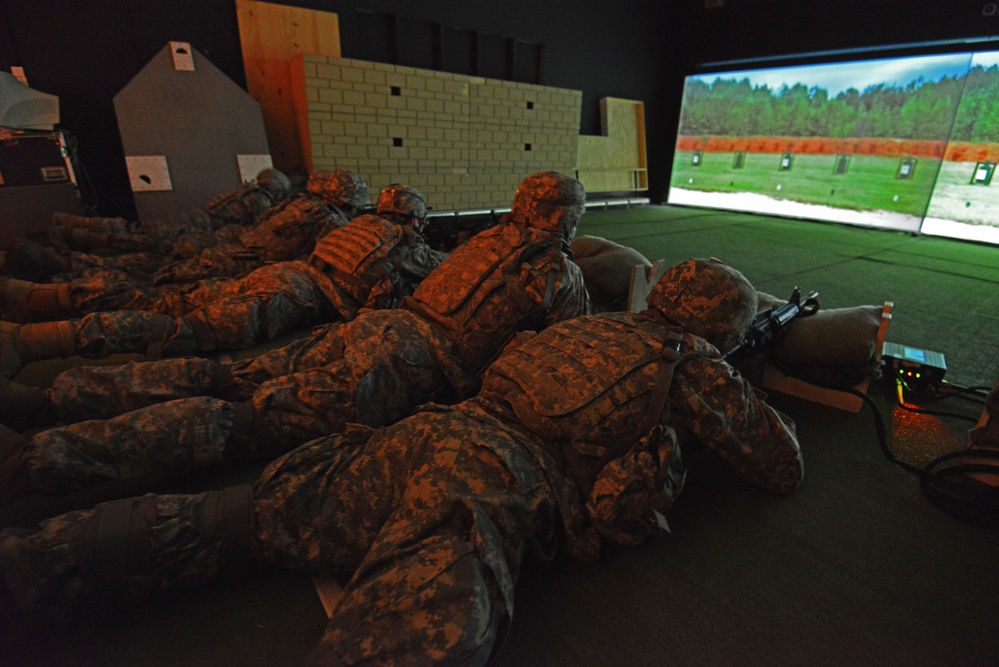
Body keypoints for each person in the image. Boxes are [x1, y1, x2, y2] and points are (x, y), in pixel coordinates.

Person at [0, 257, 802, 664]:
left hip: (420, 433)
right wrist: (731, 382)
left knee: (233, 517)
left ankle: (30, 563)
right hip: (483, 483)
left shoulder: (581, 323)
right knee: (417, 638)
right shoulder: (691, 363)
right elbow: (777, 464)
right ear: (721, 328)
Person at [0, 171, 590, 513]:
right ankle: (40, 462)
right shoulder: (557, 272)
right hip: (396, 365)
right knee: (239, 422)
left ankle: (49, 403)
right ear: (567, 217)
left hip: (366, 331)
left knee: (221, 377)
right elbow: (562, 355)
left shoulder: (481, 242)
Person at [0, 185, 445, 369]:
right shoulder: (407, 245)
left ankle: (39, 300)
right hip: (286, 298)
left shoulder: (353, 226)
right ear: (415, 218)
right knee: (181, 330)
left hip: (278, 274)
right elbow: (444, 269)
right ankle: (30, 341)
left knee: (163, 301)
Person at [0, 170, 369, 324]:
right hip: (237, 266)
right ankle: (51, 288)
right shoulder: (328, 220)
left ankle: (56, 267)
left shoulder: (296, 202)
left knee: (144, 264)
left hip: (223, 247)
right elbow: (321, 266)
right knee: (154, 290)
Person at [2, 168, 295, 282]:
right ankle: (66, 255)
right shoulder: (261, 204)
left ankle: (72, 232)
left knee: (134, 235)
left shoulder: (246, 189)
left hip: (192, 226)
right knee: (137, 259)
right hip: (197, 239)